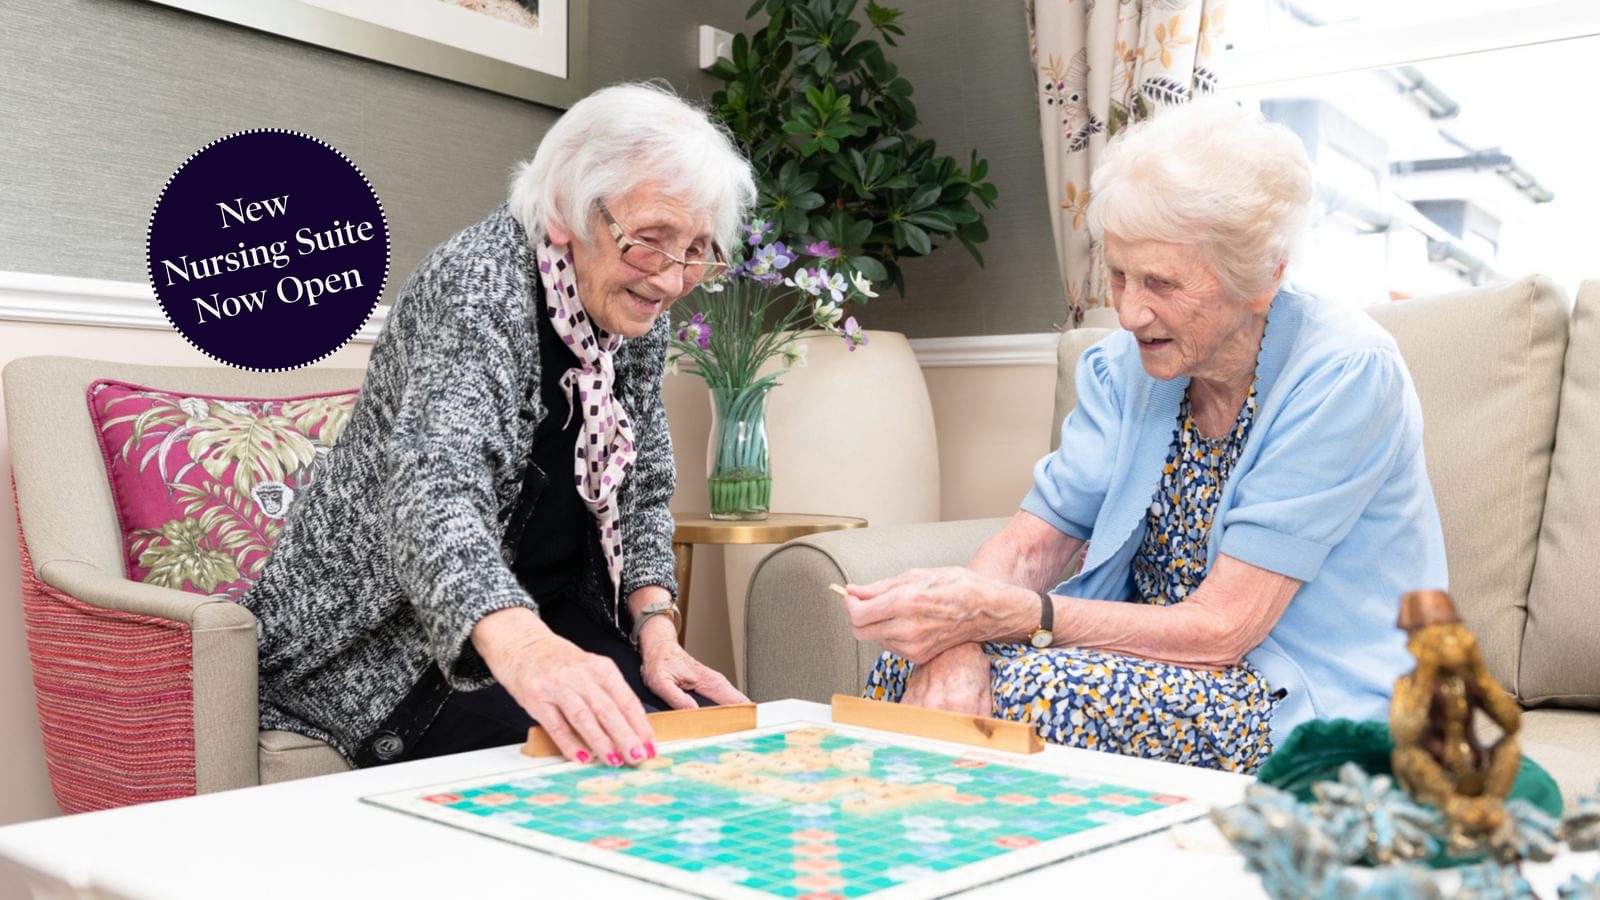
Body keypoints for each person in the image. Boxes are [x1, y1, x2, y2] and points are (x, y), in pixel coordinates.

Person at [840, 98, 1447, 774]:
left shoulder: (1343, 374)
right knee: (916, 669)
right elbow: (1027, 547)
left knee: (1018, 697)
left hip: (1296, 690)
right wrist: (955, 642)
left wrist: (1005, 617)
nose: (1129, 311)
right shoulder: (1128, 367)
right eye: (1119, 273)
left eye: (1160, 281)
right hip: (1158, 668)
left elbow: (1224, 630)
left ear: (1262, 276)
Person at [244, 83, 754, 769]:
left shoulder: (625, 304)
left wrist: (655, 630)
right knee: (615, 772)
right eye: (650, 242)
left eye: (697, 250)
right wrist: (530, 650)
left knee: (703, 748)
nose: (669, 279)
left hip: (545, 612)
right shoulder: (478, 283)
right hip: (400, 645)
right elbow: (434, 491)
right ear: (564, 210)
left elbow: (641, 488)